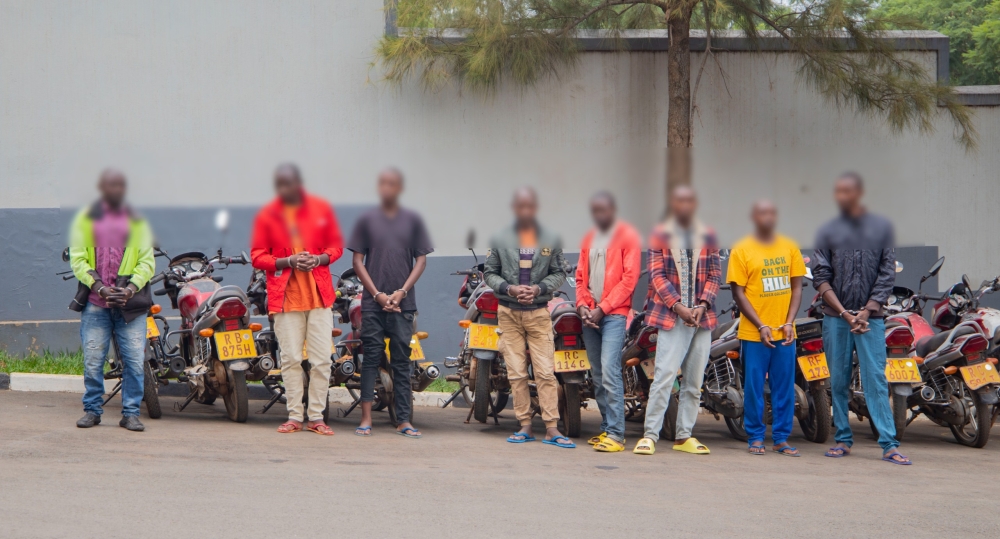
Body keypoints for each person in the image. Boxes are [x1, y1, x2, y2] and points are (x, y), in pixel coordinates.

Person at [813, 172, 910, 464]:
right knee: (839, 381)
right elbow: (820, 276)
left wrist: (867, 311)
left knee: (876, 381)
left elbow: (887, 274)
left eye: (849, 191)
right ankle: (843, 439)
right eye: (839, 192)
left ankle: (889, 444)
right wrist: (844, 313)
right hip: (836, 319)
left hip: (872, 320)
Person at [250, 163, 343, 436]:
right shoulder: (267, 216)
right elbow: (257, 256)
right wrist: (288, 260)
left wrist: (318, 259)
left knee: (322, 360)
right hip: (285, 300)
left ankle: (316, 417)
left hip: (319, 298)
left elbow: (335, 246)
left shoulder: (321, 209)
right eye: (280, 184)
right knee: (290, 359)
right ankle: (294, 416)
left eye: (289, 183)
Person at [634, 186, 721, 456]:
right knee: (663, 378)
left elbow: (716, 275)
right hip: (672, 317)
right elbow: (657, 277)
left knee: (694, 383)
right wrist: (680, 307)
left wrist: (702, 305)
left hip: (701, 319)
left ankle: (684, 436)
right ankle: (650, 435)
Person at [484, 187, 573, 448]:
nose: (525, 211)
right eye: (520, 207)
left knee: (546, 372)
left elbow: (558, 272)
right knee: (516, 373)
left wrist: (539, 289)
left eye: (530, 207)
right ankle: (525, 426)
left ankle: (551, 428)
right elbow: (490, 272)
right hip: (509, 314)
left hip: (539, 314)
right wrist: (509, 289)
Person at [348, 168, 433, 438]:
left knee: (401, 361)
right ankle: (366, 418)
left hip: (403, 305)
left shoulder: (413, 221)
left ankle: (404, 420)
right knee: (371, 359)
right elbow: (357, 262)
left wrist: (401, 293)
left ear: (400, 188)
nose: (387, 188)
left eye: (392, 184)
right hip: (373, 305)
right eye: (383, 183)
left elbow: (421, 260)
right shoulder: (366, 221)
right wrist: (377, 295)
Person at [69, 169, 155, 432]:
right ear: (101, 188)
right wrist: (99, 287)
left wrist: (129, 289)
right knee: (93, 361)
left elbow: (147, 262)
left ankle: (130, 413)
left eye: (119, 185)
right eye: (110, 185)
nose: (115, 189)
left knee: (133, 362)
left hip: (130, 307)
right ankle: (92, 411)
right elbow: (78, 259)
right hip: (96, 303)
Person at [727, 200, 805, 456]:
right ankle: (756, 437)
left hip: (785, 333)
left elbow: (797, 287)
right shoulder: (741, 250)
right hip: (753, 334)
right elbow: (738, 293)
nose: (767, 217)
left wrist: (789, 322)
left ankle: (782, 438)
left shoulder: (789, 247)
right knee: (754, 388)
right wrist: (761, 325)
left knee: (785, 388)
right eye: (762, 213)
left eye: (772, 212)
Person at [575, 192, 642, 453]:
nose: (599, 215)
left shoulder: (628, 236)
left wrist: (602, 309)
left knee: (610, 370)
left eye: (603, 210)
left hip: (613, 315)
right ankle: (606, 428)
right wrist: (582, 306)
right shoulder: (589, 238)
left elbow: (630, 279)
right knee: (598, 373)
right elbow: (581, 278)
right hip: (590, 316)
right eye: (594, 210)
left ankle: (617, 433)